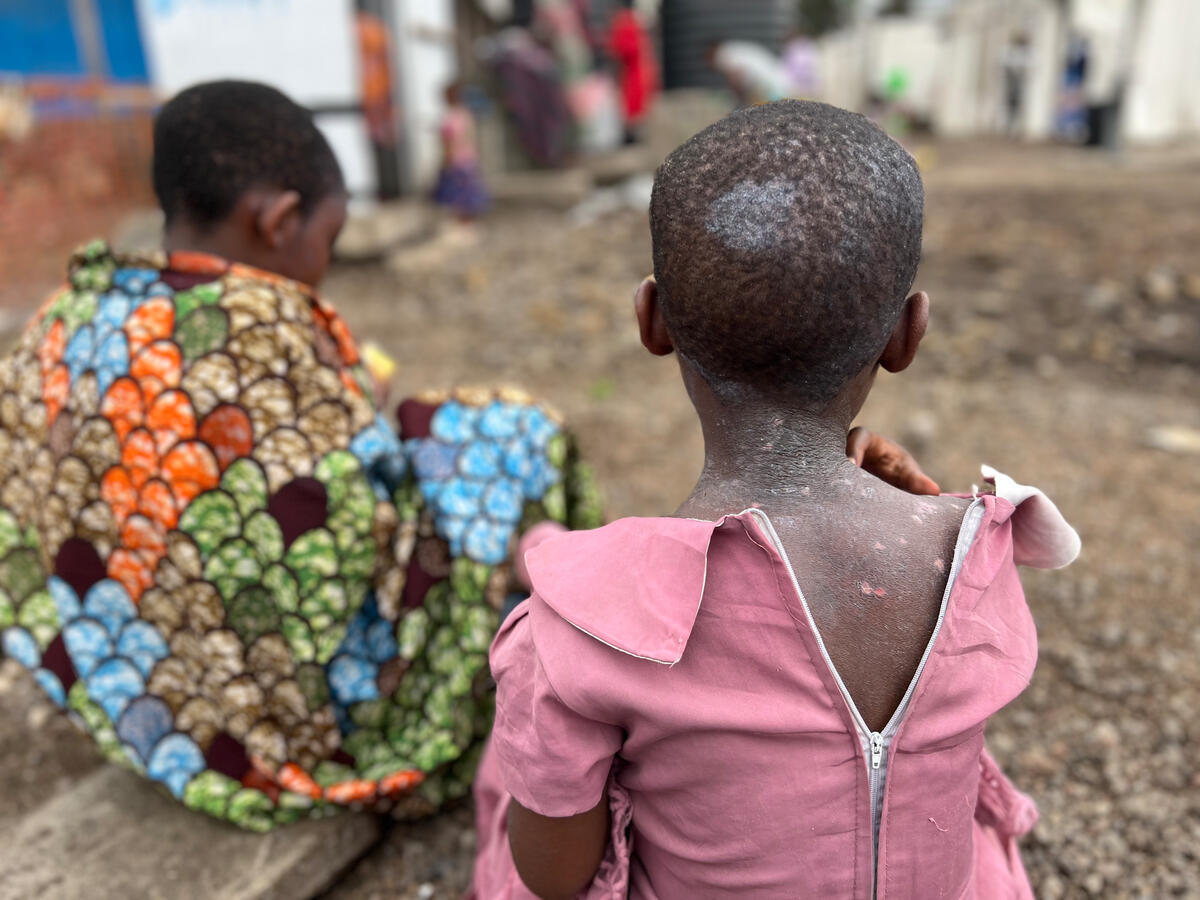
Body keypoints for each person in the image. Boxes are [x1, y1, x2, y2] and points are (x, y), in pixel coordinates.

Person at [470, 101, 1080, 898]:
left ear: (652, 321)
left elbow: (554, 878)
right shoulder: (984, 553)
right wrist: (927, 507)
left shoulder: (576, 630)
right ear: (906, 335)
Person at [0, 80, 598, 829]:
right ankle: (559, 663)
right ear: (279, 220)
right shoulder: (270, 326)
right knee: (515, 433)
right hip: (304, 725)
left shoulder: (56, 324)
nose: (327, 260)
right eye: (330, 236)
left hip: (146, 693)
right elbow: (348, 544)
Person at [433, 81, 490, 220]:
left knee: (457, 197)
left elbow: (451, 141)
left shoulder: (452, 118)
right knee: (466, 197)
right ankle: (466, 225)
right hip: (468, 159)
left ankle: (463, 226)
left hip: (457, 160)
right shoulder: (466, 115)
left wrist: (447, 158)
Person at [608, 0, 659, 144]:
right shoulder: (633, 22)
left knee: (633, 105)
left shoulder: (625, 22)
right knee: (636, 104)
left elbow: (621, 49)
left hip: (634, 71)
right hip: (638, 70)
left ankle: (633, 137)